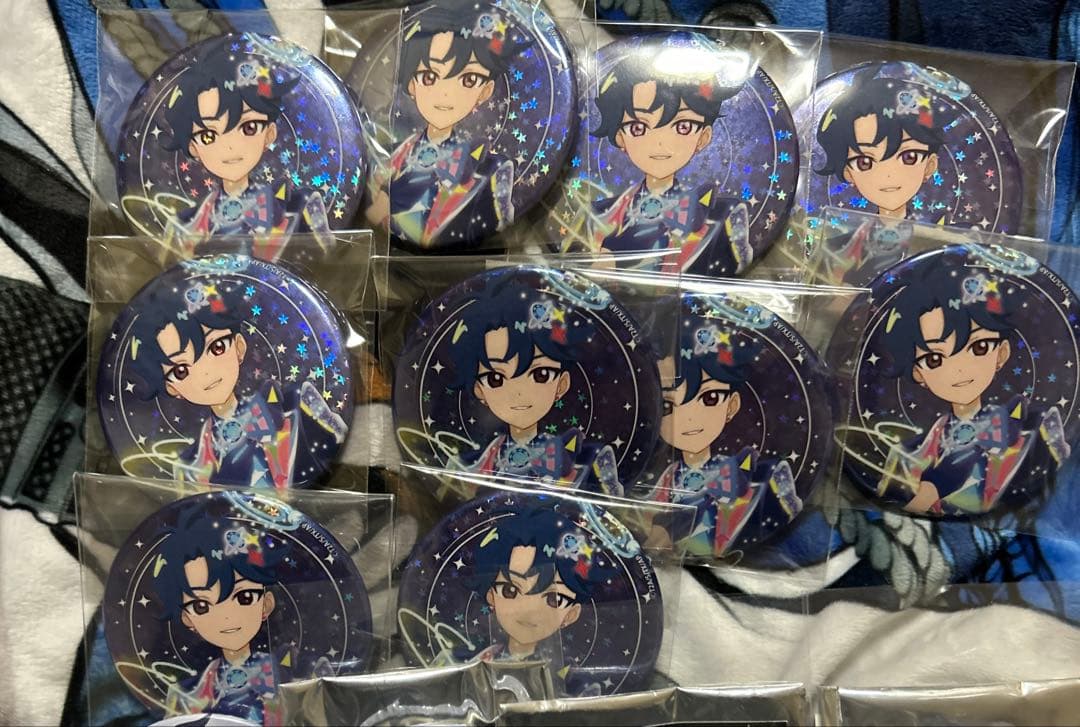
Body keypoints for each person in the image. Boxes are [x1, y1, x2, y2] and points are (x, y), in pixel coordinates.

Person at [879, 260, 1071, 514]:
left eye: (979, 347)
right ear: (917, 372)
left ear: (1001, 353)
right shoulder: (907, 455)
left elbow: (1055, 492)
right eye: (934, 359)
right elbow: (891, 516)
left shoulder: (1035, 428)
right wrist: (932, 490)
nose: (959, 369)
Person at [128, 275, 347, 488]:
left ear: (239, 347)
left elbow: (333, 443)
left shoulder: (295, 404)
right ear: (170, 387)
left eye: (217, 347)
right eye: (181, 370)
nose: (206, 373)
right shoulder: (188, 465)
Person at [588, 34, 751, 273]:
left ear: (704, 137)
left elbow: (723, 271)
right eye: (638, 127)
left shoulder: (721, 216)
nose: (660, 142)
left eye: (683, 126)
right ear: (620, 137)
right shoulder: (599, 213)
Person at [446, 274, 622, 495]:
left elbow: (609, 504)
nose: (519, 392)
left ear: (562, 384)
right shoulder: (471, 463)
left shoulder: (583, 456)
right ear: (478, 390)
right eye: (495, 379)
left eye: (540, 374)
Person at [644, 311, 802, 555]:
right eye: (667, 405)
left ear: (732, 406)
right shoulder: (669, 476)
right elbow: (646, 513)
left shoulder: (732, 471)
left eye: (709, 398)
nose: (688, 418)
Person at [160, 34, 330, 258]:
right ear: (193, 147)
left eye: (249, 127)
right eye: (208, 135)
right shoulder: (182, 225)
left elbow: (332, 261)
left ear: (269, 134)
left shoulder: (300, 206)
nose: (230, 147)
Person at [367, 6, 523, 247]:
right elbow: (371, 214)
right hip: (385, 251)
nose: (446, 93)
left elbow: (499, 229)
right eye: (429, 76)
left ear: (485, 91)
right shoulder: (387, 158)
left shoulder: (489, 170)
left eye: (469, 79)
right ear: (411, 84)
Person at [153, 504, 289, 723]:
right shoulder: (189, 691)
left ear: (266, 604)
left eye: (244, 597)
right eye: (201, 606)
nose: (226, 617)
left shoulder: (289, 674)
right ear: (186, 618)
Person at [815, 65, 945, 221]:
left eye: (909, 157)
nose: (888, 175)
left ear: (930, 165)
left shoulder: (942, 230)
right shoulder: (844, 234)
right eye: (864, 162)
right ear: (848, 172)